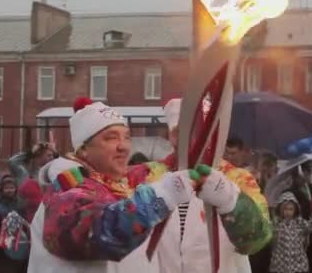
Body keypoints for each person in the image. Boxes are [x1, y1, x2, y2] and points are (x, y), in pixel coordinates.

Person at [28, 99, 195, 273]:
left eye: (127, 137)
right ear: (83, 149)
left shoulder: (115, 185)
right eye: (111, 138)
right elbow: (101, 232)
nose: (124, 146)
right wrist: (160, 198)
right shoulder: (67, 190)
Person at [154, 98, 272, 273]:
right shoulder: (151, 176)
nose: (189, 138)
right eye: (179, 131)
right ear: (171, 135)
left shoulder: (237, 178)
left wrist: (230, 202)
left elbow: (258, 239)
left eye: (197, 130)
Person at [269, 191, 312, 273]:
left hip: (298, 266)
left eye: (291, 209)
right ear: (280, 209)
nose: (288, 212)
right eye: (285, 209)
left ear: (295, 210)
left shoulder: (300, 223)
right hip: (279, 266)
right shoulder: (276, 223)